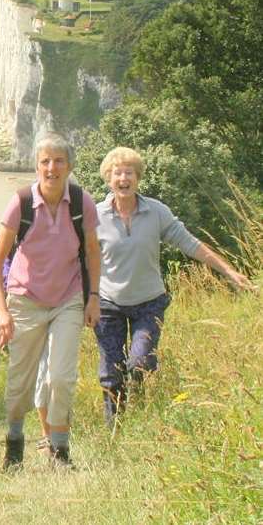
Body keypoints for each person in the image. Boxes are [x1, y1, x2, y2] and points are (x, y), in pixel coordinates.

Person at [95, 147, 254, 424]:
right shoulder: (95, 216)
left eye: (129, 173)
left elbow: (190, 243)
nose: (123, 178)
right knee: (111, 371)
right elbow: (79, 259)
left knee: (140, 364)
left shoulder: (156, 212)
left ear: (138, 178)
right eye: (117, 173)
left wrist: (229, 271)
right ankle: (114, 430)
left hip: (149, 303)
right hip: (109, 305)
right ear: (108, 179)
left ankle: (140, 416)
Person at [0, 133, 100, 469]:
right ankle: (14, 441)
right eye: (45, 161)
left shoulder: (83, 203)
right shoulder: (21, 202)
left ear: (69, 166)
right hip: (24, 299)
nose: (52, 168)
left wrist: (93, 297)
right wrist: (1, 312)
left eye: (59, 161)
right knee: (20, 381)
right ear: (36, 166)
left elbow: (93, 253)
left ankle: (60, 451)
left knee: (61, 378)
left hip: (68, 298)